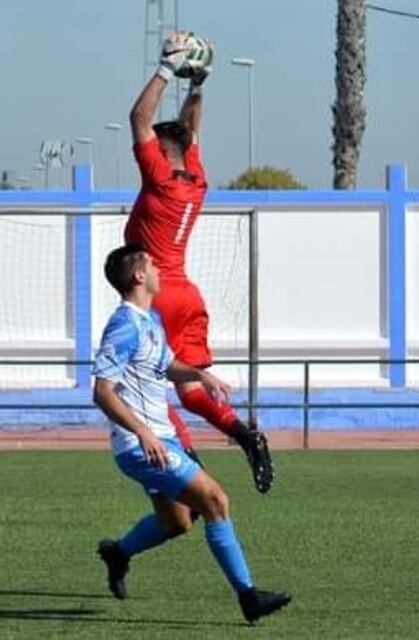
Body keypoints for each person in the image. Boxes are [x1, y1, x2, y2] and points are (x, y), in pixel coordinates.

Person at [93, 243, 291, 623]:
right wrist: (143, 432)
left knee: (177, 522)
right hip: (142, 445)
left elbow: (167, 365)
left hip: (160, 438)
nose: (159, 270)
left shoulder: (150, 320)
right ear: (139, 276)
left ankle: (118, 553)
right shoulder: (124, 325)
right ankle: (249, 597)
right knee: (215, 500)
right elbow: (102, 391)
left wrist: (200, 374)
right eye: (152, 264)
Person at [125, 32, 274, 493]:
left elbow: (138, 118)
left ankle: (187, 460)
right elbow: (191, 132)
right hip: (189, 296)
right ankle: (245, 435)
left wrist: (167, 68)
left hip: (157, 296)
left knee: (144, 385)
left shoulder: (160, 179)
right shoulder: (196, 179)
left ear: (161, 152)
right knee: (190, 390)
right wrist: (199, 82)